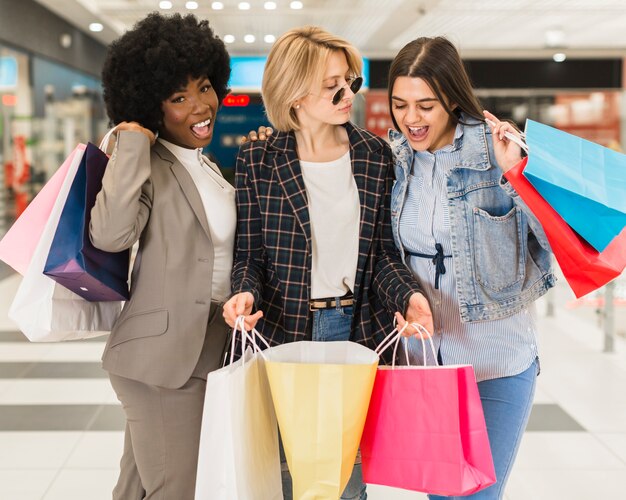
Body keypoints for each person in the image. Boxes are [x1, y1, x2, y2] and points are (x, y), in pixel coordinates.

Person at [222, 26, 428, 500]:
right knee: (284, 474)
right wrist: (242, 292)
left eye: (350, 80)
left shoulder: (375, 155)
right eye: (332, 83)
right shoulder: (258, 157)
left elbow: (381, 256)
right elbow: (249, 254)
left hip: (355, 332)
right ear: (295, 92)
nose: (347, 93)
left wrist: (409, 296)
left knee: (347, 481)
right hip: (280, 332)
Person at [386, 36, 555, 499]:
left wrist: (514, 174)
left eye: (425, 105)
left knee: (477, 495)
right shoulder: (394, 158)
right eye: (400, 105)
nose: (411, 119)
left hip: (498, 360)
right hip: (429, 363)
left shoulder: (494, 147)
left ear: (452, 99)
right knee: (442, 494)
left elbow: (552, 241)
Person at [90, 13, 233, 499]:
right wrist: (131, 138)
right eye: (178, 97)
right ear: (150, 106)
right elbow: (110, 235)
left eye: (205, 87)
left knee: (135, 489)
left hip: (204, 350)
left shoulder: (208, 166)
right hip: (164, 362)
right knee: (177, 490)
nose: (200, 106)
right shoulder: (147, 163)